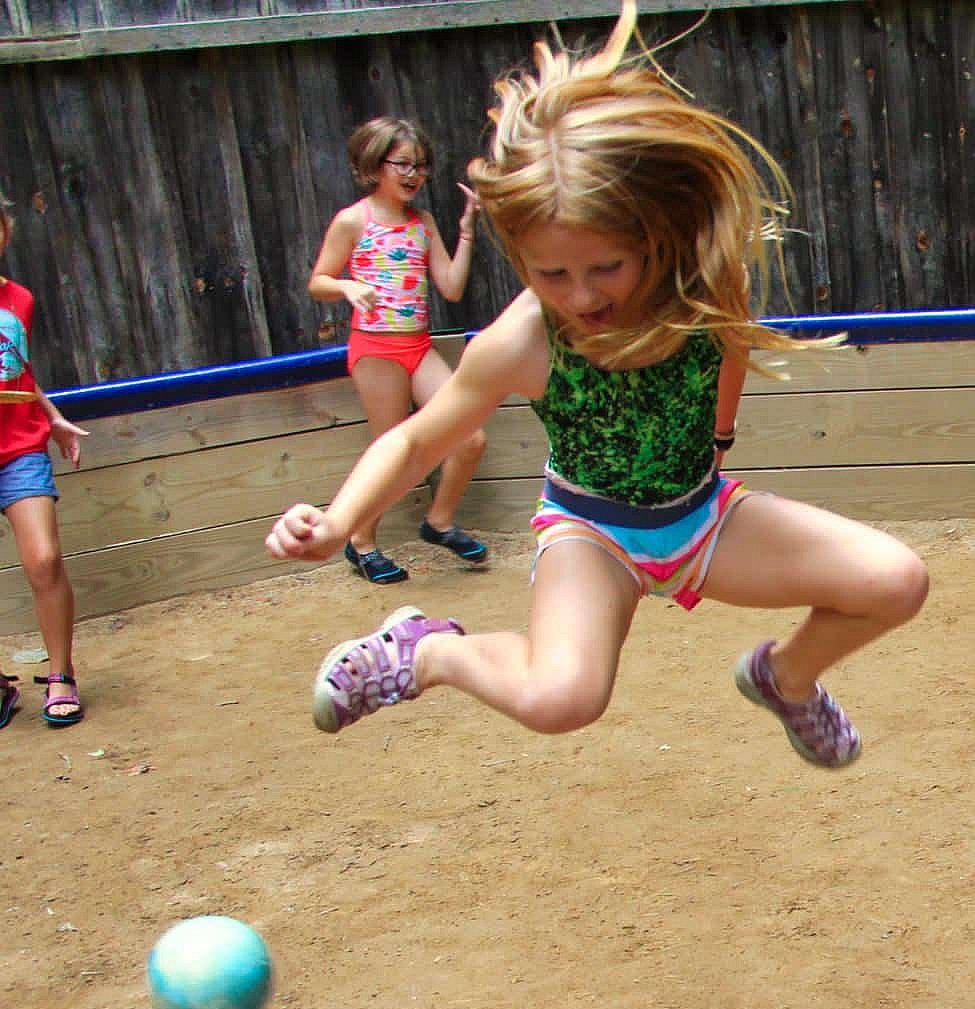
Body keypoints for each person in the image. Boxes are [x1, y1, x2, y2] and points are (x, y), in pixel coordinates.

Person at [265, 0, 928, 769]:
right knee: (563, 700)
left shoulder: (707, 286)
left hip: (701, 517)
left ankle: (784, 678)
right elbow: (418, 437)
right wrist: (340, 520)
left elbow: (731, 350)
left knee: (896, 581)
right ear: (520, 258)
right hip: (593, 533)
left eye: (604, 268)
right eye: (552, 273)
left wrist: (718, 438)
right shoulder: (525, 339)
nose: (580, 295)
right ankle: (426, 654)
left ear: (654, 232)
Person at [309, 116, 490, 584]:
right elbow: (317, 281)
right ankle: (362, 542)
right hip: (376, 349)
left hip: (418, 346)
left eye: (421, 166)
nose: (412, 175)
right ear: (375, 165)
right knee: (388, 452)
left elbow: (450, 287)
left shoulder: (423, 222)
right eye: (402, 164)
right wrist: (346, 286)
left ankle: (440, 522)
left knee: (470, 436)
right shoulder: (353, 220)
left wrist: (467, 231)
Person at [0, 189, 90, 729]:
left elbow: (19, 372)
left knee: (44, 559)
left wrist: (51, 417)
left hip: (21, 446)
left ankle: (61, 673)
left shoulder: (20, 301)